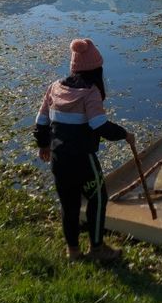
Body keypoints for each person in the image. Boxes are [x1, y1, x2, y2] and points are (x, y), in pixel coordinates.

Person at [34, 37, 133, 264]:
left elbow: (41, 121)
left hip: (59, 160)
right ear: (96, 70)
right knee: (98, 198)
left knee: (69, 205)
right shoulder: (90, 93)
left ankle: (73, 252)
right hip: (83, 160)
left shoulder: (55, 87)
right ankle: (97, 248)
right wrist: (125, 135)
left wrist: (43, 144)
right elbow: (99, 125)